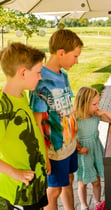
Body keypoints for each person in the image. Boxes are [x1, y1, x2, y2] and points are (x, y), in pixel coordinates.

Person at [29, 29, 84, 210]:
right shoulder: (41, 80)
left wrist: (74, 138)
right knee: (54, 191)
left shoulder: (63, 75)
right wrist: (44, 155)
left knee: (69, 179)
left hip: (69, 144)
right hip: (53, 149)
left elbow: (67, 109)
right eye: (75, 56)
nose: (77, 61)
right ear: (61, 52)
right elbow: (37, 122)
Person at [0, 42, 48, 209]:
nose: (40, 77)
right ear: (22, 73)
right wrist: (16, 173)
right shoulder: (2, 105)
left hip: (35, 186)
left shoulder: (22, 97)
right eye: (38, 72)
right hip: (17, 192)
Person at [74, 87, 111, 210]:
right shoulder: (75, 118)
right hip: (83, 153)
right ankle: (84, 205)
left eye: (98, 103)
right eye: (94, 104)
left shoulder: (95, 115)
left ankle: (97, 202)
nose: (97, 106)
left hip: (95, 149)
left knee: (97, 181)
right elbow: (70, 135)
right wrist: (79, 148)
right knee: (82, 182)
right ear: (83, 103)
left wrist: (103, 112)